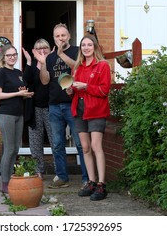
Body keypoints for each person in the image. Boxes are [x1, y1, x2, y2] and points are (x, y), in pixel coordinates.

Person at [33, 23, 88, 189]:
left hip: (74, 104)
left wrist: (60, 53)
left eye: (63, 35)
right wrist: (43, 63)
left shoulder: (77, 51)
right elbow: (45, 80)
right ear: (53, 37)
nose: (60, 38)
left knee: (80, 143)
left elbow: (75, 66)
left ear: (69, 36)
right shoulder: (50, 57)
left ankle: (87, 178)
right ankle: (62, 177)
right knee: (57, 144)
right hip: (55, 105)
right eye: (57, 36)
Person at [68, 34, 111, 201]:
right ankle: (91, 182)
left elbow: (104, 90)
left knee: (95, 146)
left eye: (89, 45)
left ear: (95, 47)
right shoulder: (77, 67)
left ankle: (102, 184)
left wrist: (86, 86)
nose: (86, 48)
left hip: (96, 110)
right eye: (83, 45)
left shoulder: (102, 66)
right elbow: (75, 89)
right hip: (79, 111)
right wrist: (71, 90)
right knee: (85, 147)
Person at [0, 44, 34, 193]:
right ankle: (5, 183)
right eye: (9, 55)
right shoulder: (1, 73)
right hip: (6, 114)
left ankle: (9, 178)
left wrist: (24, 94)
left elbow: (20, 90)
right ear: (3, 58)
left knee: (15, 149)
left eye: (14, 54)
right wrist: (17, 94)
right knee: (9, 149)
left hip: (19, 114)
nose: (12, 57)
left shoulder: (18, 72)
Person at [22, 39, 54, 180]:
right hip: (34, 109)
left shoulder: (53, 64)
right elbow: (25, 80)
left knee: (55, 141)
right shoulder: (33, 65)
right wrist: (28, 61)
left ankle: (59, 172)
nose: (42, 51)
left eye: (45, 48)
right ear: (34, 51)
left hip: (51, 108)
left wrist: (51, 59)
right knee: (35, 142)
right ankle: (38, 171)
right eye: (38, 48)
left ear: (49, 49)